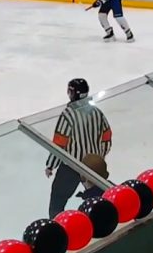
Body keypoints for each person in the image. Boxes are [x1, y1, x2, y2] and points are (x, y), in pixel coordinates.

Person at [46, 78, 112, 218]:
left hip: (72, 166)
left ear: (73, 93)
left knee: (58, 199)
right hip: (93, 164)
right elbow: (106, 135)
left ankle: (57, 226)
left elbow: (59, 144)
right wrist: (99, 156)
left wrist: (51, 165)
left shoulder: (68, 115)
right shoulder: (96, 112)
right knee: (102, 194)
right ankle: (105, 216)